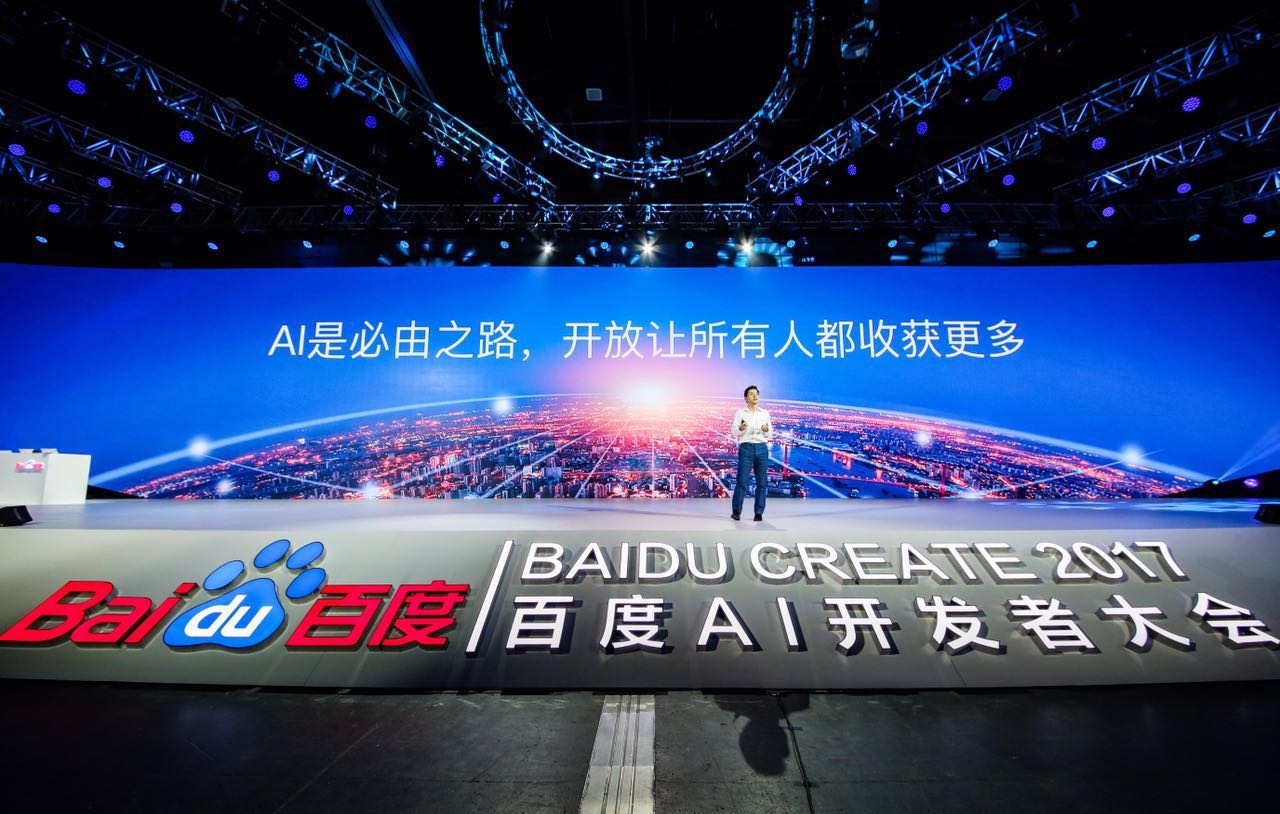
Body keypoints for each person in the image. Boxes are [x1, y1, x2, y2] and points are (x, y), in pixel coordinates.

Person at [730, 384, 772, 521]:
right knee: (742, 481)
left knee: (762, 482)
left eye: (757, 394)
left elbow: (769, 434)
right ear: (746, 398)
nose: (755, 396)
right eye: (751, 394)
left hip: (762, 448)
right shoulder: (740, 413)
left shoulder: (764, 413)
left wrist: (766, 430)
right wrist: (741, 429)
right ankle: (736, 512)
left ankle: (758, 513)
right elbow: (734, 432)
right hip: (746, 448)